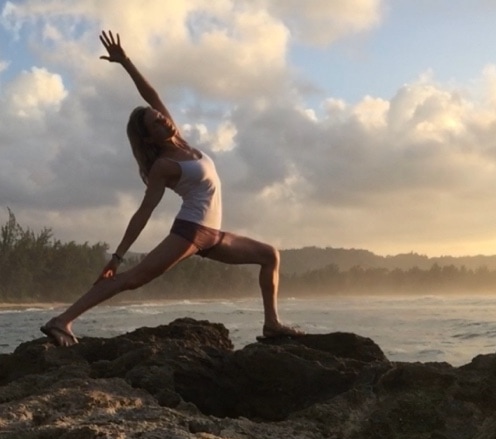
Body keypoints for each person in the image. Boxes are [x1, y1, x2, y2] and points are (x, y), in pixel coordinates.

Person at [40, 30, 303, 346]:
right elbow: (144, 212)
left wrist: (126, 62)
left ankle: (272, 324)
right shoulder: (163, 166)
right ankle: (62, 321)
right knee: (132, 279)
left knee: (269, 255)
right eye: (156, 123)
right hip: (191, 231)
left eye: (161, 117)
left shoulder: (183, 143)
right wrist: (117, 257)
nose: (164, 120)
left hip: (213, 235)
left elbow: (149, 93)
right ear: (149, 138)